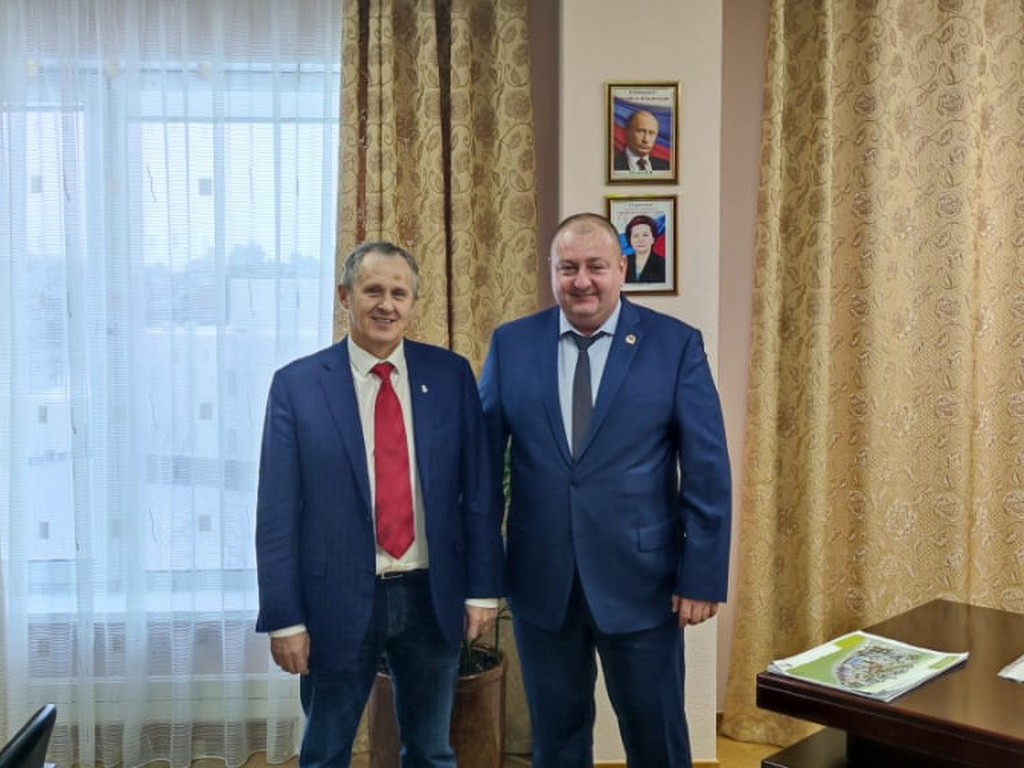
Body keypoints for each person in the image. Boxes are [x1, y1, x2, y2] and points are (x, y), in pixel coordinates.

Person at [479, 213, 731, 768]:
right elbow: (481, 470)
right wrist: (482, 578)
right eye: (567, 268)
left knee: (656, 740)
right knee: (556, 743)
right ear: (551, 271)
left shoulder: (674, 345)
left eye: (596, 266)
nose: (582, 281)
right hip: (542, 584)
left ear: (621, 269)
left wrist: (702, 575)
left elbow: (707, 470)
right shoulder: (512, 345)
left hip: (643, 585)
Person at [255, 241, 505, 768]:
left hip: (430, 595)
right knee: (325, 751)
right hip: (335, 600)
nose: (386, 304)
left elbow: (479, 493)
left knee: (431, 751)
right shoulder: (297, 386)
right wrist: (284, 620)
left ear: (413, 303)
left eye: (399, 292)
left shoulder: (450, 375)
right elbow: (276, 514)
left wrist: (483, 589)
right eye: (373, 291)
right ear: (344, 296)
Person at [623, 214, 666, 284]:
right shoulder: (623, 262)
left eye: (645, 235)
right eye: (636, 236)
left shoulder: (663, 264)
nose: (640, 240)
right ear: (630, 240)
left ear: (653, 239)